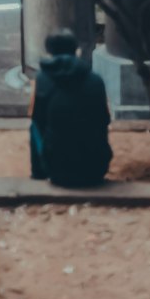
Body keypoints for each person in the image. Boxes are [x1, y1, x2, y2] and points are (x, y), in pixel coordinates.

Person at [29, 29, 112, 187]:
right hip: (95, 169)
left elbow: (38, 120)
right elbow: (104, 120)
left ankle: (38, 175)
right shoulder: (96, 80)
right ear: (77, 50)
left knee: (34, 127)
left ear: (49, 51)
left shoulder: (42, 80)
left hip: (57, 170)